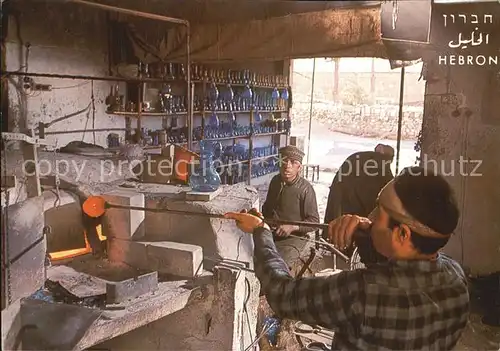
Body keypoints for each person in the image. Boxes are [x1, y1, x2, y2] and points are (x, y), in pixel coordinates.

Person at [226, 167, 469, 350]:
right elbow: (401, 273)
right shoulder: (456, 278)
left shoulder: (361, 292)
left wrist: (261, 232)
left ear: (403, 234)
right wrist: (368, 234)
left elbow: (283, 294)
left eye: (378, 212)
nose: (370, 218)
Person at [261, 145, 320, 272]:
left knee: (277, 266)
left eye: (293, 162)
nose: (287, 166)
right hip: (273, 234)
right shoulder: (275, 181)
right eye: (284, 161)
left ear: (299, 167)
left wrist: (292, 227)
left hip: (294, 238)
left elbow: (315, 222)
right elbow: (267, 208)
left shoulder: (305, 189)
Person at [323, 144, 394, 238]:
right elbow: (390, 187)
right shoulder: (382, 162)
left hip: (343, 199)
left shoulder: (357, 157)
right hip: (359, 209)